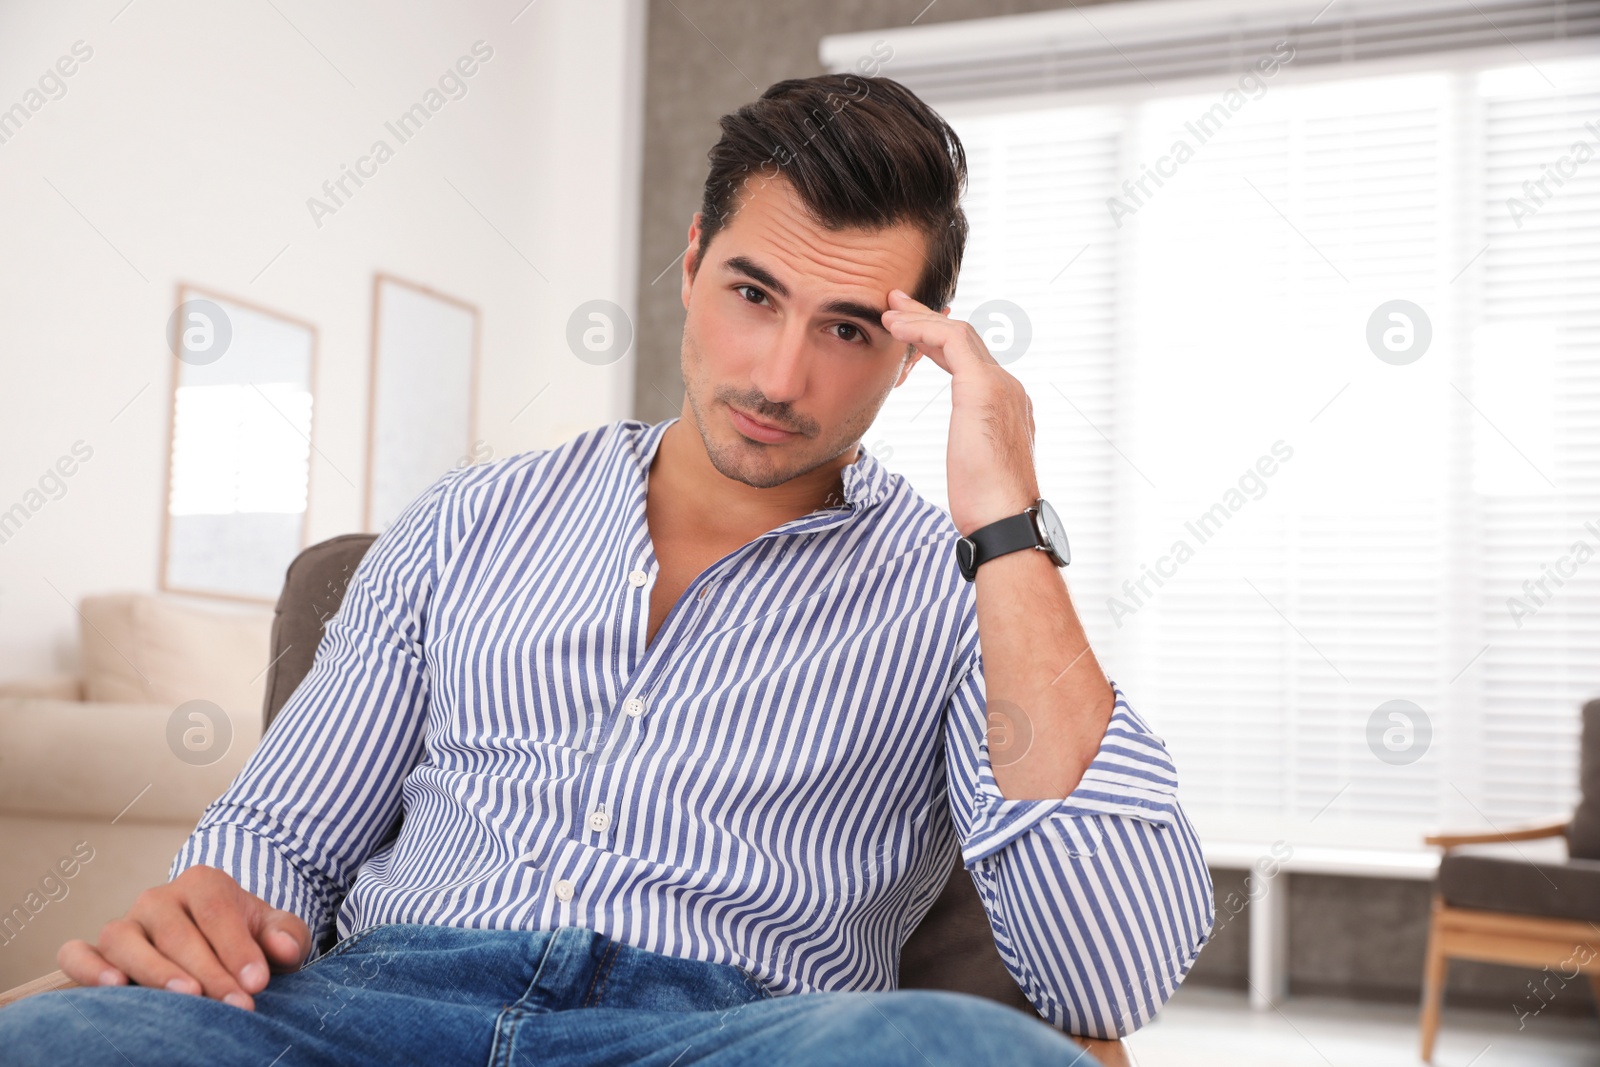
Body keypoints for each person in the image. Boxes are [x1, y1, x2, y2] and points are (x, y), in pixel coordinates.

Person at [3, 73, 1213, 1065]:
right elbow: (279, 838)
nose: (779, 377)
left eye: (846, 327)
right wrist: (211, 897)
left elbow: (1098, 972)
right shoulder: (471, 518)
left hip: (726, 1031)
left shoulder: (966, 595)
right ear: (691, 265)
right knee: (60, 1035)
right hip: (374, 1011)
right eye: (753, 293)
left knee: (976, 1056)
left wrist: (1005, 518)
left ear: (914, 354)